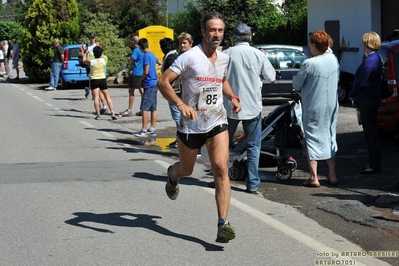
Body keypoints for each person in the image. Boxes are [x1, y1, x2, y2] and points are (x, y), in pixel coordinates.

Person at [157, 11, 242, 243]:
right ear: (203, 32)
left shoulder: (224, 58)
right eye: (212, 30)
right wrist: (180, 104)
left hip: (217, 120)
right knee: (187, 170)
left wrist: (233, 97)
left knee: (221, 168)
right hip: (191, 125)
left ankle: (223, 223)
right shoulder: (189, 57)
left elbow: (221, 80)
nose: (217, 34)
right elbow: (163, 82)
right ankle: (173, 176)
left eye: (220, 30)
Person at [223, 23, 276, 194]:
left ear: (234, 37)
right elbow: (272, 78)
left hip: (229, 106)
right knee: (254, 146)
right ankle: (252, 184)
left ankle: (221, 180)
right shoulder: (257, 54)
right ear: (250, 37)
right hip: (252, 105)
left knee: (223, 145)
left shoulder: (226, 54)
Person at [292, 30, 339, 187]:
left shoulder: (309, 64)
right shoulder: (333, 59)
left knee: (312, 139)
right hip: (331, 106)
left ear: (313, 45)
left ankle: (314, 177)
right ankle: (332, 175)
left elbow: (297, 84)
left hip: (313, 107)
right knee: (329, 137)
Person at [349, 32, 383, 174]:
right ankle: (374, 163)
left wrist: (352, 94)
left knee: (370, 132)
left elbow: (362, 82)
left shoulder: (370, 61)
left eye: (363, 42)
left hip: (367, 99)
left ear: (367, 43)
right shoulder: (375, 58)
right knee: (371, 131)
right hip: (372, 97)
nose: (361, 45)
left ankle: (374, 164)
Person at [166, 32, 194, 149]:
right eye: (180, 43)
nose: (182, 45)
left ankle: (192, 146)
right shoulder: (179, 57)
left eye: (184, 43)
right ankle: (183, 142)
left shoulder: (193, 56)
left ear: (190, 44)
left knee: (190, 120)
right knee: (183, 119)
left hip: (192, 93)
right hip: (181, 92)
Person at [134, 38, 162, 137]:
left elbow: (146, 71)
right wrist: (154, 69)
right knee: (153, 107)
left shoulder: (146, 56)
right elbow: (161, 64)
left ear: (140, 47)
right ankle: (152, 128)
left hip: (148, 82)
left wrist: (141, 80)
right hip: (155, 82)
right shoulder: (152, 54)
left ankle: (144, 130)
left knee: (144, 108)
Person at [82, 46, 116, 120]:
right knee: (107, 97)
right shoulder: (103, 60)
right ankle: (112, 112)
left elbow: (84, 60)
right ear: (101, 53)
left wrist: (85, 53)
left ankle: (98, 114)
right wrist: (100, 49)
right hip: (102, 79)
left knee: (96, 98)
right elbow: (102, 55)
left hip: (94, 79)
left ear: (94, 54)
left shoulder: (92, 62)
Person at [120, 35, 144, 117]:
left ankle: (129, 110)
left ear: (133, 42)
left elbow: (131, 62)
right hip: (143, 72)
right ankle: (143, 109)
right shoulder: (143, 50)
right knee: (142, 90)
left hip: (136, 72)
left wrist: (129, 60)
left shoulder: (136, 50)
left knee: (131, 91)